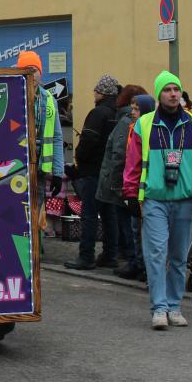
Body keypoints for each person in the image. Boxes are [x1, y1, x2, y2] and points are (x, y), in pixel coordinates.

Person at [123, 71, 192, 330]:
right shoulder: (143, 125)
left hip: (184, 200)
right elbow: (132, 163)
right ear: (159, 94)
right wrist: (130, 193)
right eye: (167, 90)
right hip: (154, 199)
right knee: (156, 254)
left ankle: (175, 306)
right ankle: (159, 308)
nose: (173, 94)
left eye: (176, 89)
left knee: (178, 256)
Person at [64, 74, 122, 270]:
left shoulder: (97, 114)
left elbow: (88, 141)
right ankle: (110, 254)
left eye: (96, 90)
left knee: (89, 214)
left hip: (92, 171)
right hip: (110, 173)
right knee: (109, 214)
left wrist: (79, 157)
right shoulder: (117, 114)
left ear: (102, 92)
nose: (93, 93)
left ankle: (86, 256)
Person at [96, 85, 149, 277]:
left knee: (131, 226)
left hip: (128, 184)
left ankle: (136, 262)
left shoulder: (128, 123)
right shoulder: (132, 123)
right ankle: (137, 261)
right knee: (132, 226)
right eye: (133, 107)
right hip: (130, 183)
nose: (134, 111)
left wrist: (118, 184)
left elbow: (120, 155)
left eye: (137, 108)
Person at [13, 52, 65, 206]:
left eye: (35, 70)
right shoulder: (11, 94)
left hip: (39, 169)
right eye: (27, 69)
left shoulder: (49, 100)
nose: (32, 74)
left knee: (36, 217)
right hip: (14, 168)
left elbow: (56, 137)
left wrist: (57, 173)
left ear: (40, 73)